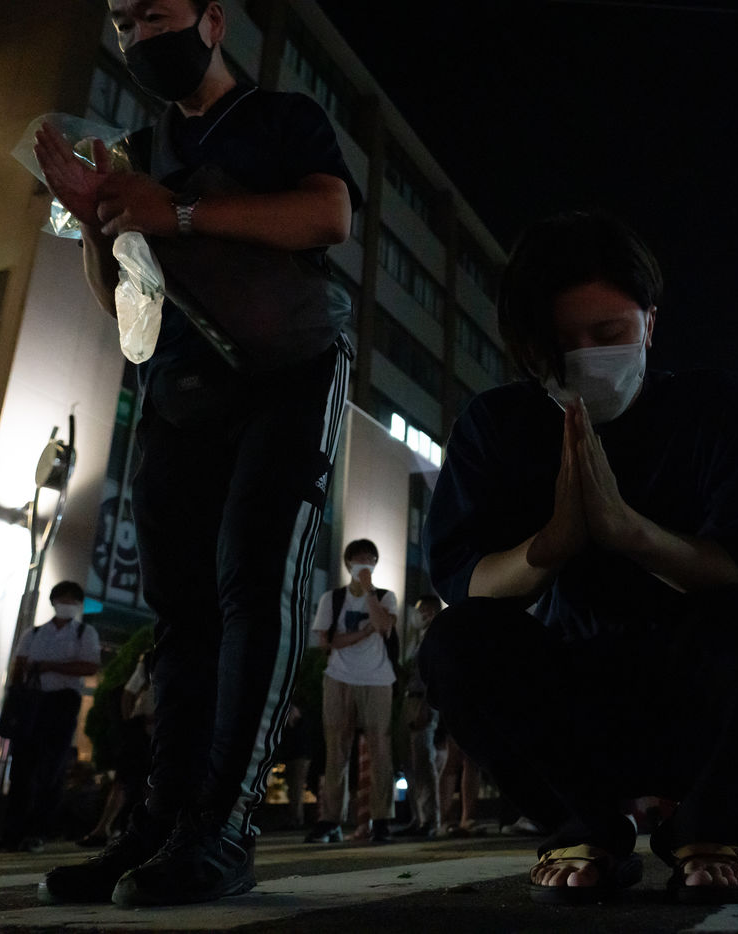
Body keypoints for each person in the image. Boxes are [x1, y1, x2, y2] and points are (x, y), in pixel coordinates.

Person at [35, 0, 359, 907]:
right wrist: (95, 220)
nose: (140, 37)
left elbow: (329, 215)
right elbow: (121, 301)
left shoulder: (280, 116)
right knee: (180, 608)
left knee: (254, 576)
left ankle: (224, 826)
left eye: (156, 15)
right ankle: (159, 825)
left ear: (213, 21)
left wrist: (175, 210)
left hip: (289, 367)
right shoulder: (137, 149)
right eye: (123, 23)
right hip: (180, 383)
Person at [420, 210, 738, 905]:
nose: (585, 358)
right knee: (455, 642)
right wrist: (552, 544)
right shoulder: (498, 424)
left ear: (650, 325)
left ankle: (709, 827)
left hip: (695, 694)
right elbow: (466, 581)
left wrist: (631, 533)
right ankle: (584, 827)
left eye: (608, 335)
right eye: (561, 343)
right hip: (572, 711)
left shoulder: (715, 407)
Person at [0, 582, 102, 853]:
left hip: (62, 703)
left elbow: (90, 666)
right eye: (62, 599)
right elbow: (19, 666)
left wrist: (51, 667)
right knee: (21, 768)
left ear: (79, 604)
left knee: (51, 768)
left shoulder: (84, 632)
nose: (66, 604)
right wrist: (16, 697)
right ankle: (11, 833)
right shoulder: (34, 633)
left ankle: (38, 832)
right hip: (31, 702)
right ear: (53, 601)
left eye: (71, 600)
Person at [305, 539, 400, 844]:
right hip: (339, 677)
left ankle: (381, 820)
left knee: (380, 748)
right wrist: (364, 632)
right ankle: (330, 820)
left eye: (370, 559)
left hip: (378, 679)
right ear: (348, 564)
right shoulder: (332, 599)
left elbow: (383, 626)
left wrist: (369, 591)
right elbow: (327, 642)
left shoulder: (385, 597)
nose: (365, 564)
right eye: (359, 559)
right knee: (336, 748)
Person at [394, 594, 442, 839]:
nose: (418, 615)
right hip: (409, 699)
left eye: (422, 611)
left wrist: (425, 705)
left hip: (422, 700)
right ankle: (418, 817)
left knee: (423, 760)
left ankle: (430, 820)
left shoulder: (435, 639)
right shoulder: (419, 638)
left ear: (431, 612)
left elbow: (432, 675)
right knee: (410, 763)